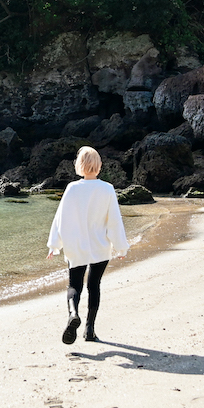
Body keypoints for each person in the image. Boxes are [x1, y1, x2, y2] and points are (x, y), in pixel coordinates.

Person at [46, 146, 128, 344]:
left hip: (77, 245)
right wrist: (120, 246)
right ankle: (89, 330)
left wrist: (55, 244)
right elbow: (114, 221)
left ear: (79, 166)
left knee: (74, 284)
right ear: (98, 166)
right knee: (94, 285)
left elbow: (61, 219)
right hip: (100, 246)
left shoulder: (72, 188)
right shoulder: (107, 189)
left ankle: (73, 314)